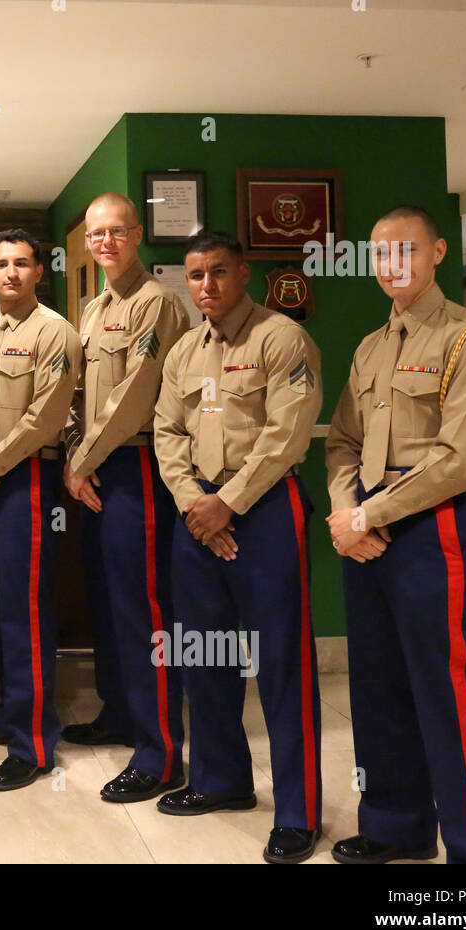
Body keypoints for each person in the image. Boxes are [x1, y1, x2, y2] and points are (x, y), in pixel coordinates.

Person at [325, 206, 466, 865]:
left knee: (444, 691)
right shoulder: (371, 348)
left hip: (431, 527)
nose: (391, 264)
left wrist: (367, 517)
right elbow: (342, 442)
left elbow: (460, 457)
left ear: (436, 251)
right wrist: (344, 510)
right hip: (364, 527)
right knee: (376, 685)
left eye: (405, 250)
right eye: (379, 254)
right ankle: (395, 826)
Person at [153, 230, 324, 864]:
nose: (207, 286)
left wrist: (229, 503)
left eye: (218, 272)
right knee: (203, 654)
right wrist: (194, 504)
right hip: (194, 514)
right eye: (196, 275)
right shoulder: (182, 352)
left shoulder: (282, 339)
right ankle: (221, 781)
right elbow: (165, 431)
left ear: (242, 272)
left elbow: (288, 433)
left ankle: (299, 811)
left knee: (281, 664)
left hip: (266, 512)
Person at [64, 192, 191, 802]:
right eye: (96, 235)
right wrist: (77, 459)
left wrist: (80, 462)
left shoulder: (157, 304)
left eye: (116, 231)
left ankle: (159, 749)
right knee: (108, 604)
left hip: (137, 468)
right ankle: (118, 713)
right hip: (93, 472)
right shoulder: (92, 310)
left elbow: (137, 394)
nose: (105, 242)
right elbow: (80, 396)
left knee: (144, 612)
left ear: (137, 235)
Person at [0, 229, 80, 791]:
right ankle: (8, 712)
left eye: (22, 264)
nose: (11, 273)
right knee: (0, 606)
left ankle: (32, 743)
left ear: (38, 273)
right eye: (1, 264)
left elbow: (47, 415)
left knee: (25, 612)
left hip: (26, 480)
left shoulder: (55, 332)